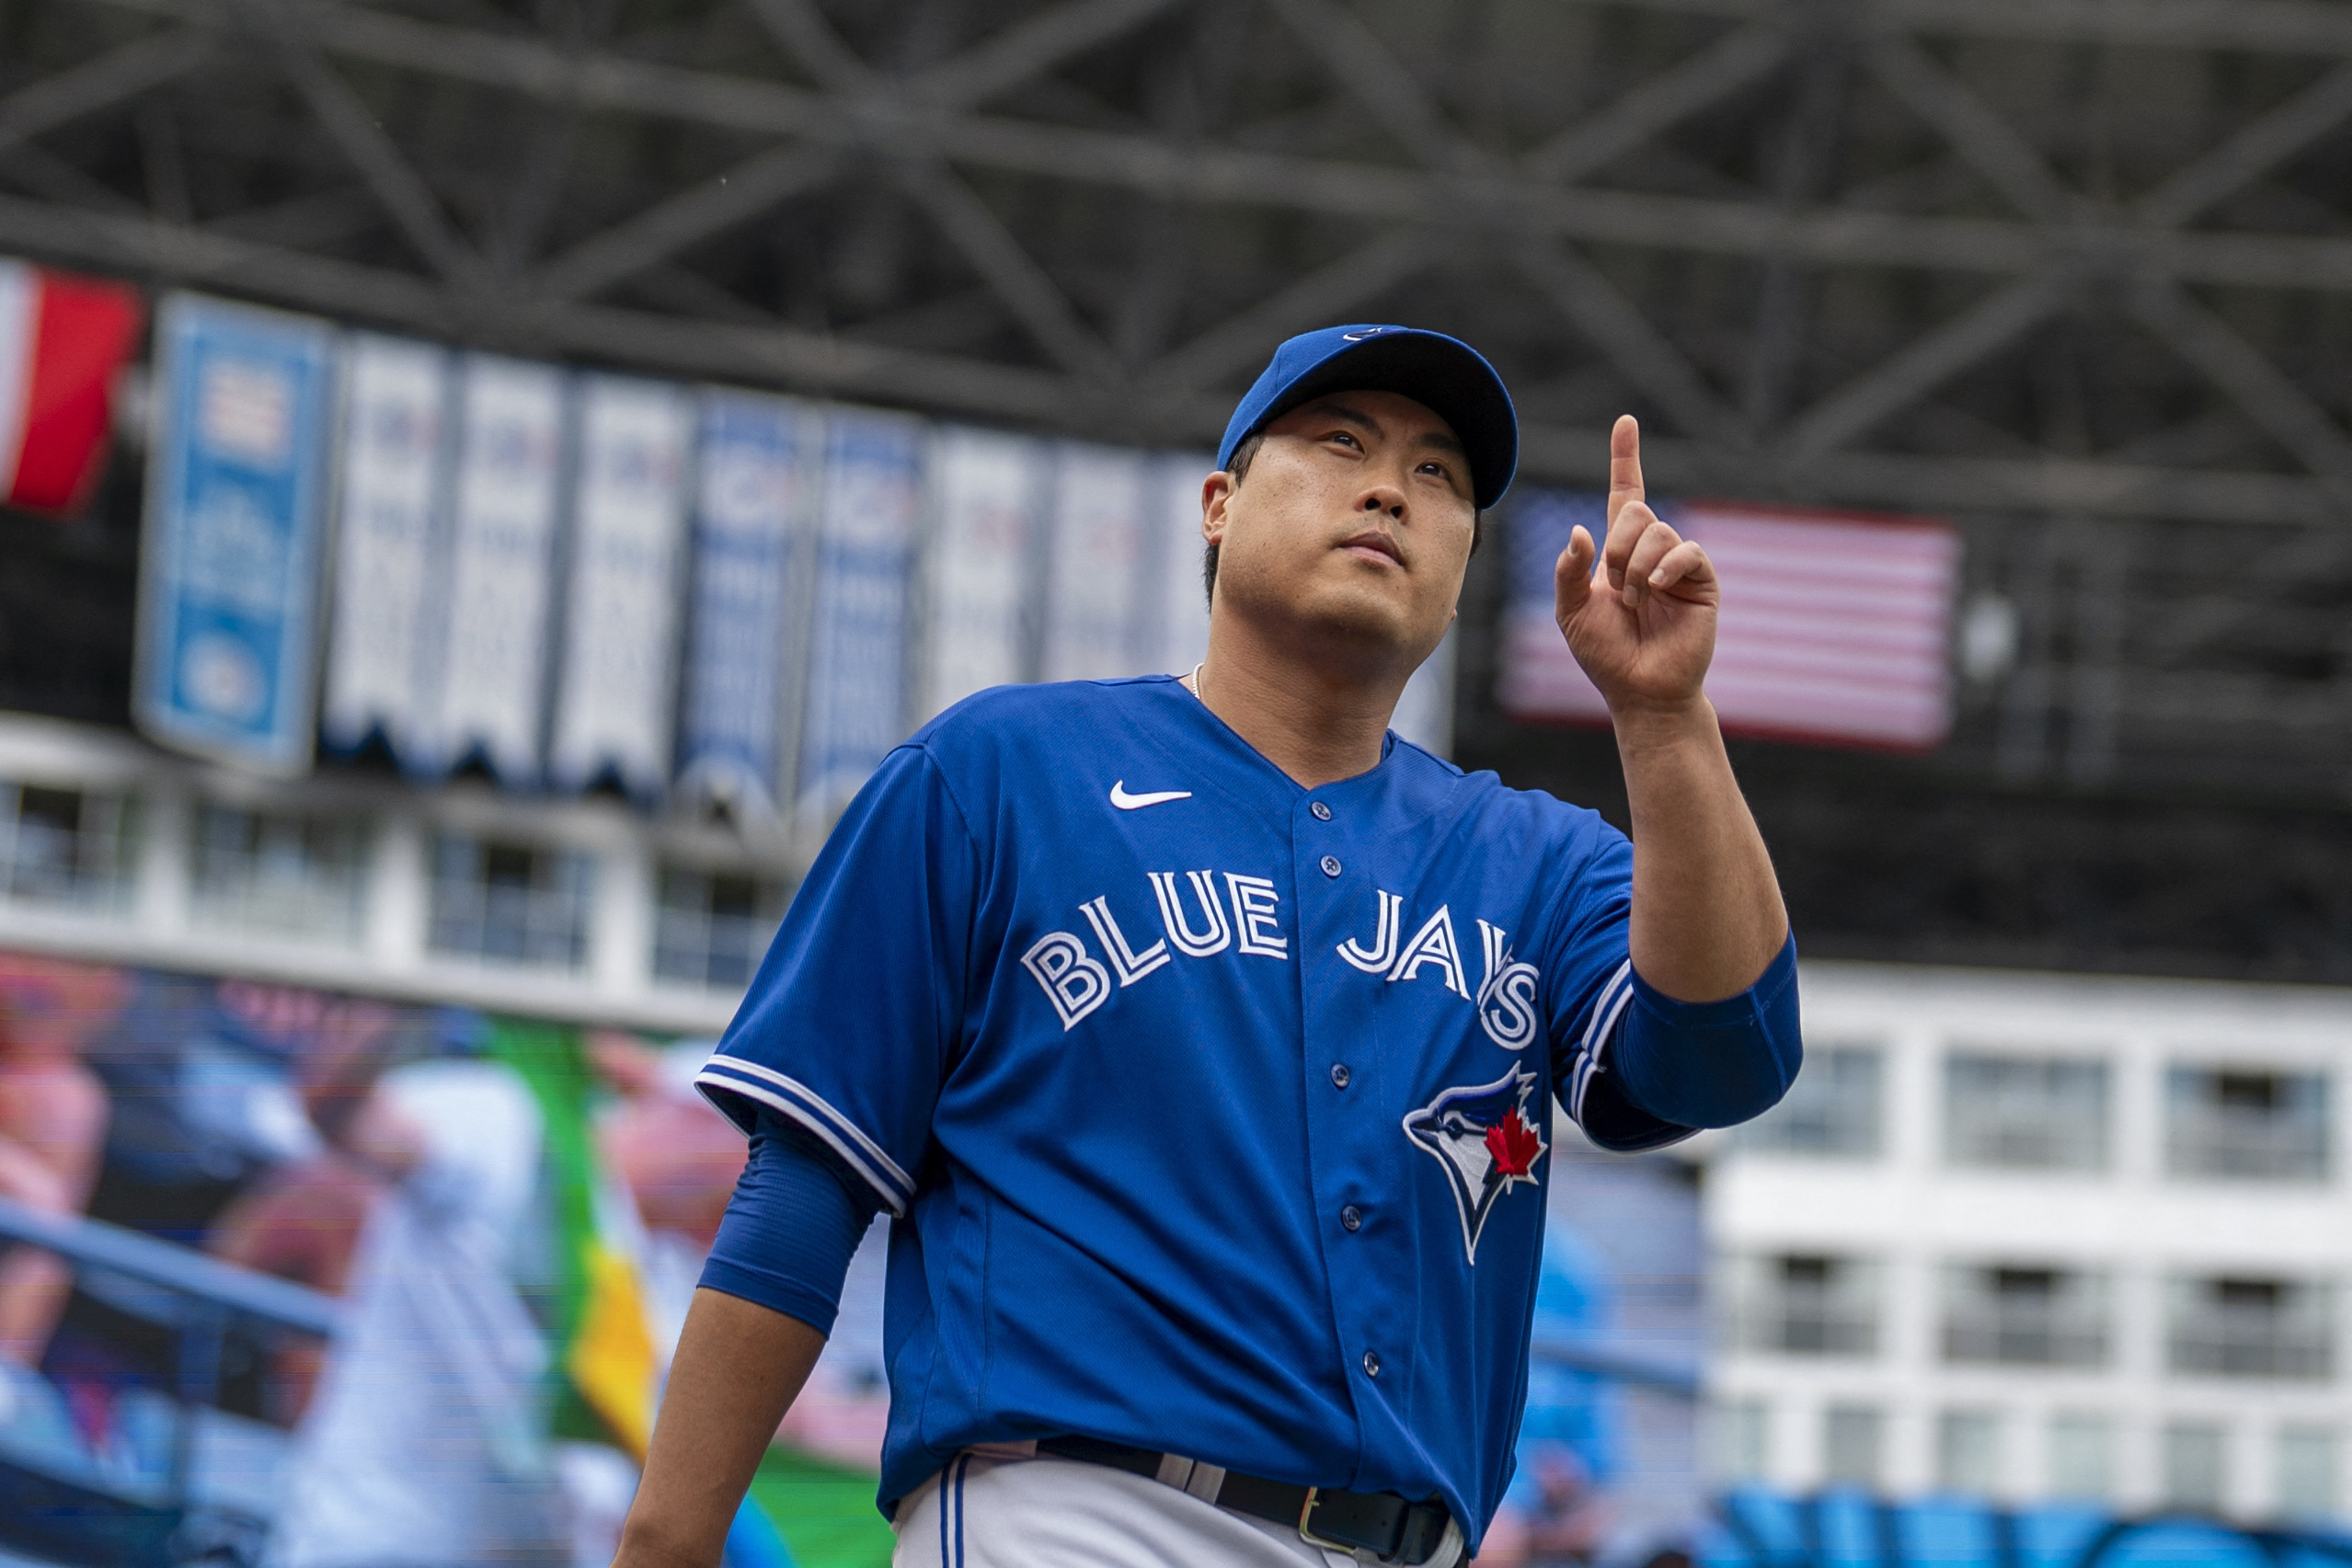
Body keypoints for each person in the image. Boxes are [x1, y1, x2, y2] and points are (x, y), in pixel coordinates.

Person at [616, 324, 1802, 1567]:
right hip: (1082, 1512)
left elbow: (1720, 1064)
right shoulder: (999, 774)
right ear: (1218, 506)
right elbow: (803, 1190)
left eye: (1439, 474)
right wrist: (667, 1539)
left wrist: (1663, 716)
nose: (1391, 486)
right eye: (1340, 442)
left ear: (1459, 571)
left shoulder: (1533, 858)